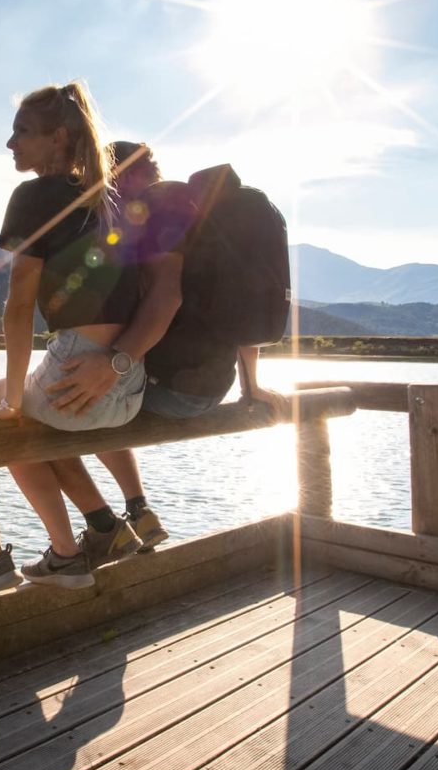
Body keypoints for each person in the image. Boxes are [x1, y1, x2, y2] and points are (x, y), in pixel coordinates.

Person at [0, 83, 148, 602]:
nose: (10, 144)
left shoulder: (35, 197)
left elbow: (18, 308)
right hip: (124, 385)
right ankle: (75, 545)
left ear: (58, 137)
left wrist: (14, 402)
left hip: (75, 375)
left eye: (21, 133)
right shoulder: (107, 199)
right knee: (19, 419)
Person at [41, 141, 291, 549]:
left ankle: (103, 529)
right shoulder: (202, 214)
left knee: (48, 411)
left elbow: (166, 299)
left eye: (97, 179)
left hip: (170, 386)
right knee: (91, 396)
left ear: (116, 176)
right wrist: (252, 386)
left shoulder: (152, 215)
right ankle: (139, 510)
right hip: (213, 385)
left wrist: (115, 363)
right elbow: (240, 304)